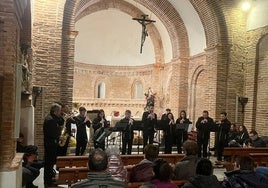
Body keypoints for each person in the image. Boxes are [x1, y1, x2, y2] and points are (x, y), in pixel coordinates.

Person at [43, 103, 62, 187]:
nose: (60, 112)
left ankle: (50, 178)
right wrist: (59, 136)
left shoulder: (52, 118)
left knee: (50, 163)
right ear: (55, 111)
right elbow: (52, 133)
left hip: (51, 144)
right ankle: (48, 181)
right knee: (49, 163)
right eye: (59, 111)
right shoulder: (50, 120)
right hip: (50, 144)